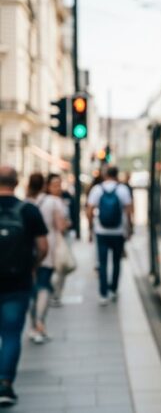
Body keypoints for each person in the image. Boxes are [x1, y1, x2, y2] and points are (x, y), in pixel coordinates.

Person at [0, 166, 48, 406]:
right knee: (10, 334)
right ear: (17, 182)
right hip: (17, 282)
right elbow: (43, 247)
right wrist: (32, 265)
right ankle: (5, 384)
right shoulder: (28, 210)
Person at [25, 173, 66, 343]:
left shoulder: (25, 203)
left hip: (27, 249)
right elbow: (61, 226)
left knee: (32, 288)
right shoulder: (53, 202)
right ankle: (40, 323)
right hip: (47, 248)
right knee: (44, 286)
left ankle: (33, 326)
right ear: (44, 185)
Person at [86, 166, 132, 305]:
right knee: (117, 262)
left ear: (105, 175)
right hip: (118, 232)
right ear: (117, 175)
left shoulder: (97, 189)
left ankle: (103, 293)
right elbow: (129, 210)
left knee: (103, 262)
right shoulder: (123, 189)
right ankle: (113, 289)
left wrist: (90, 228)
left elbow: (89, 210)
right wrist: (129, 228)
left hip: (101, 232)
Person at [47, 174, 74, 307]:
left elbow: (71, 215)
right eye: (54, 185)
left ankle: (56, 293)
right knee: (52, 266)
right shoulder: (47, 201)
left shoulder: (66, 197)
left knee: (61, 266)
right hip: (52, 238)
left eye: (59, 184)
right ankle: (52, 292)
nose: (57, 188)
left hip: (64, 237)